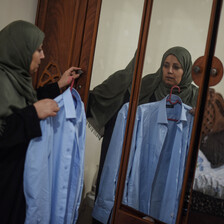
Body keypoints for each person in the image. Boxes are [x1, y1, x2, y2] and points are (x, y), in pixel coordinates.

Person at [87, 46, 198, 224]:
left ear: (186, 70)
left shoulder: (196, 98)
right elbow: (124, 120)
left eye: (176, 67)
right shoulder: (147, 87)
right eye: (165, 65)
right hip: (141, 163)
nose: (169, 71)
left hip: (173, 171)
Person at [0, 20, 81, 224]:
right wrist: (33, 113)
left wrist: (58, 85)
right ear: (21, 48)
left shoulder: (17, 79)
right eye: (38, 50)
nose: (43, 56)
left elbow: (29, 101)